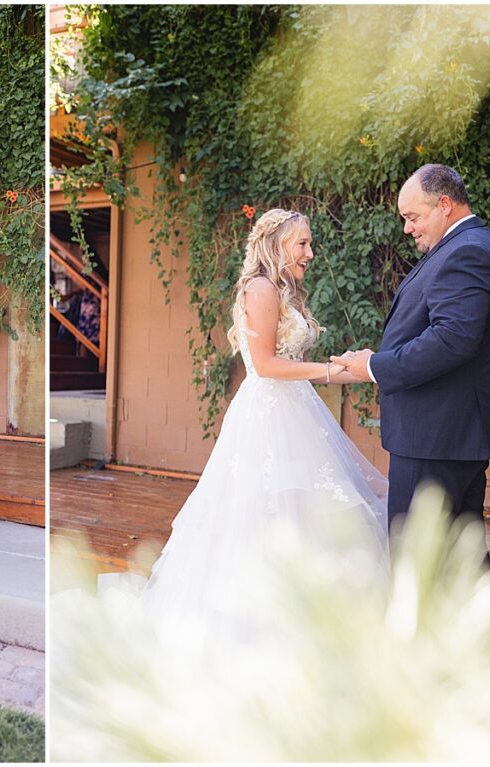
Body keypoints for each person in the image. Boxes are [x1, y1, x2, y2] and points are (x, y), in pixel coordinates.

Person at [130, 209, 389, 637]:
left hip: (298, 410)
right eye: (302, 244)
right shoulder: (261, 288)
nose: (311, 252)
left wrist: (358, 369)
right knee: (264, 512)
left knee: (305, 510)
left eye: (310, 243)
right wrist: (329, 372)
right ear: (276, 245)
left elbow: (295, 365)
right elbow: (267, 366)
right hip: (268, 417)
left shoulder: (283, 291)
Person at [332, 165, 490, 533]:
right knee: (455, 561)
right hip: (446, 437)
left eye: (412, 216)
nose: (407, 227)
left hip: (436, 439)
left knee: (416, 564)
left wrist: (374, 366)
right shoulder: (466, 246)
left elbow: (452, 339)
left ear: (444, 204)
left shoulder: (467, 252)